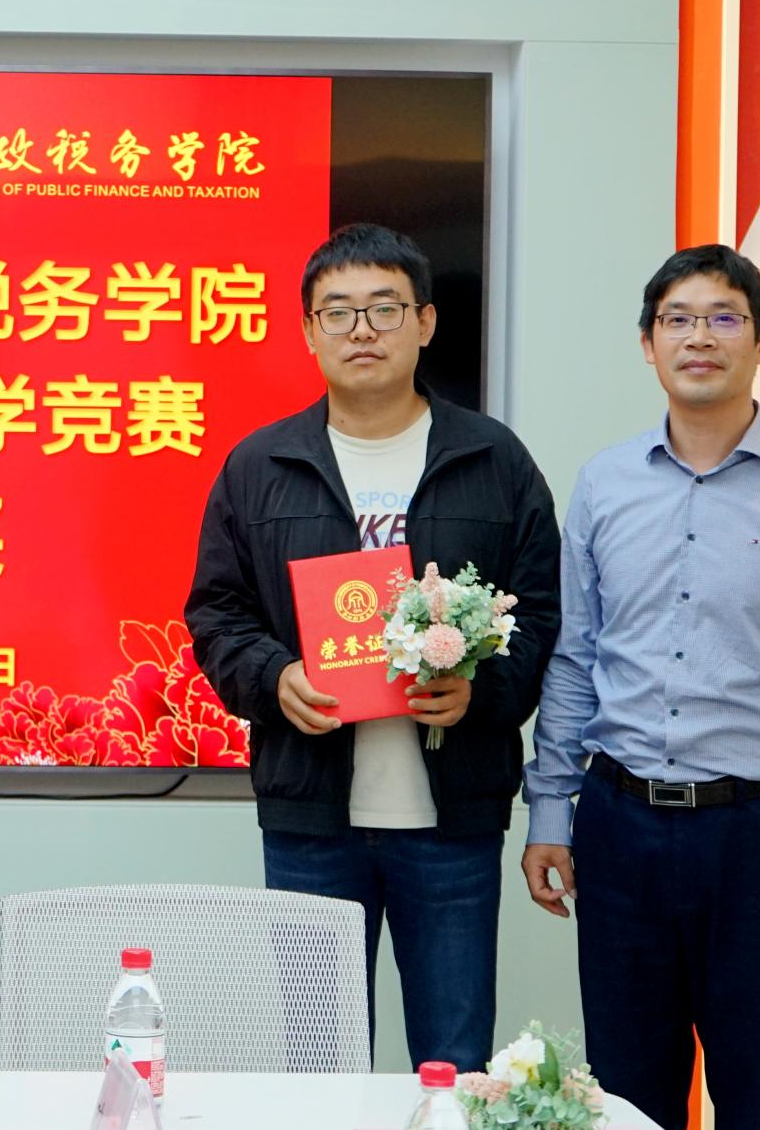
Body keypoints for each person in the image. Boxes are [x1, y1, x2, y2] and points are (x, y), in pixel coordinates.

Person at [521, 244, 760, 1130]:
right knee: (625, 1096)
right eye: (677, 319)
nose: (699, 337)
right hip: (621, 827)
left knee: (757, 1095)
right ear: (648, 343)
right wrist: (550, 812)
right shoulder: (605, 483)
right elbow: (575, 659)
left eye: (724, 318)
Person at [185, 223, 560, 1071]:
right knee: (319, 1066)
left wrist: (482, 692)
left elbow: (541, 614)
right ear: (308, 330)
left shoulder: (494, 460)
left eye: (385, 308)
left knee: (453, 1062)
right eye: (339, 311)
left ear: (425, 322)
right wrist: (273, 675)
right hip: (312, 819)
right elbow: (216, 612)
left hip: (452, 821)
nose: (362, 329)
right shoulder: (260, 465)